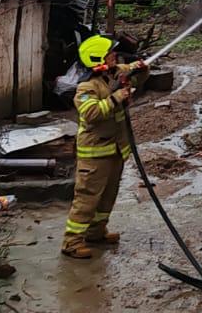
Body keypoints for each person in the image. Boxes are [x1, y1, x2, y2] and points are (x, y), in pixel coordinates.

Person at [61, 34, 147, 260]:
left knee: (108, 197)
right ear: (98, 59)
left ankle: (96, 233)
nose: (115, 57)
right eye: (110, 54)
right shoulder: (86, 87)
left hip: (115, 150)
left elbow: (132, 73)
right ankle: (72, 242)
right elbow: (91, 113)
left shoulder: (113, 73)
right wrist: (116, 97)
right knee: (87, 199)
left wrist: (140, 69)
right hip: (95, 154)